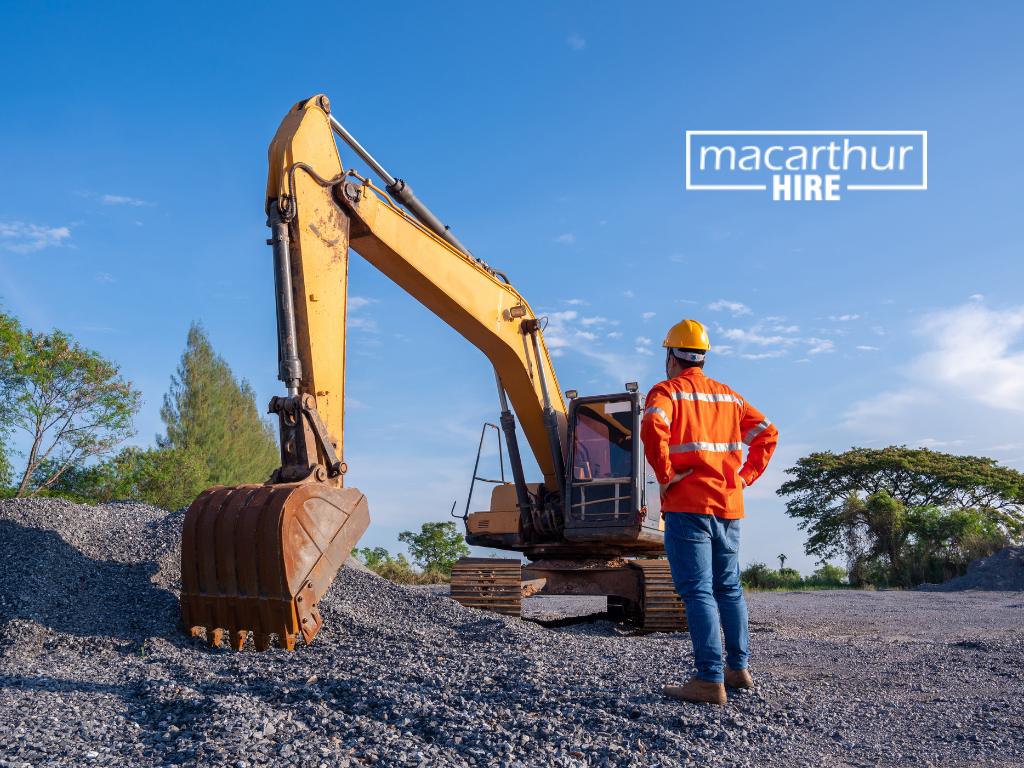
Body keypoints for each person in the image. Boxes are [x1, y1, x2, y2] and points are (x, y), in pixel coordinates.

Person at [640, 319, 779, 705]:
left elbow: (652, 422)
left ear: (671, 356)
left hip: (688, 506)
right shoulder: (729, 398)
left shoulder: (667, 391)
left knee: (698, 591)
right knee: (729, 589)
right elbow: (768, 432)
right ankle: (738, 669)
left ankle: (708, 680)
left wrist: (665, 474)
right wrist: (745, 477)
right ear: (701, 357)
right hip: (729, 507)